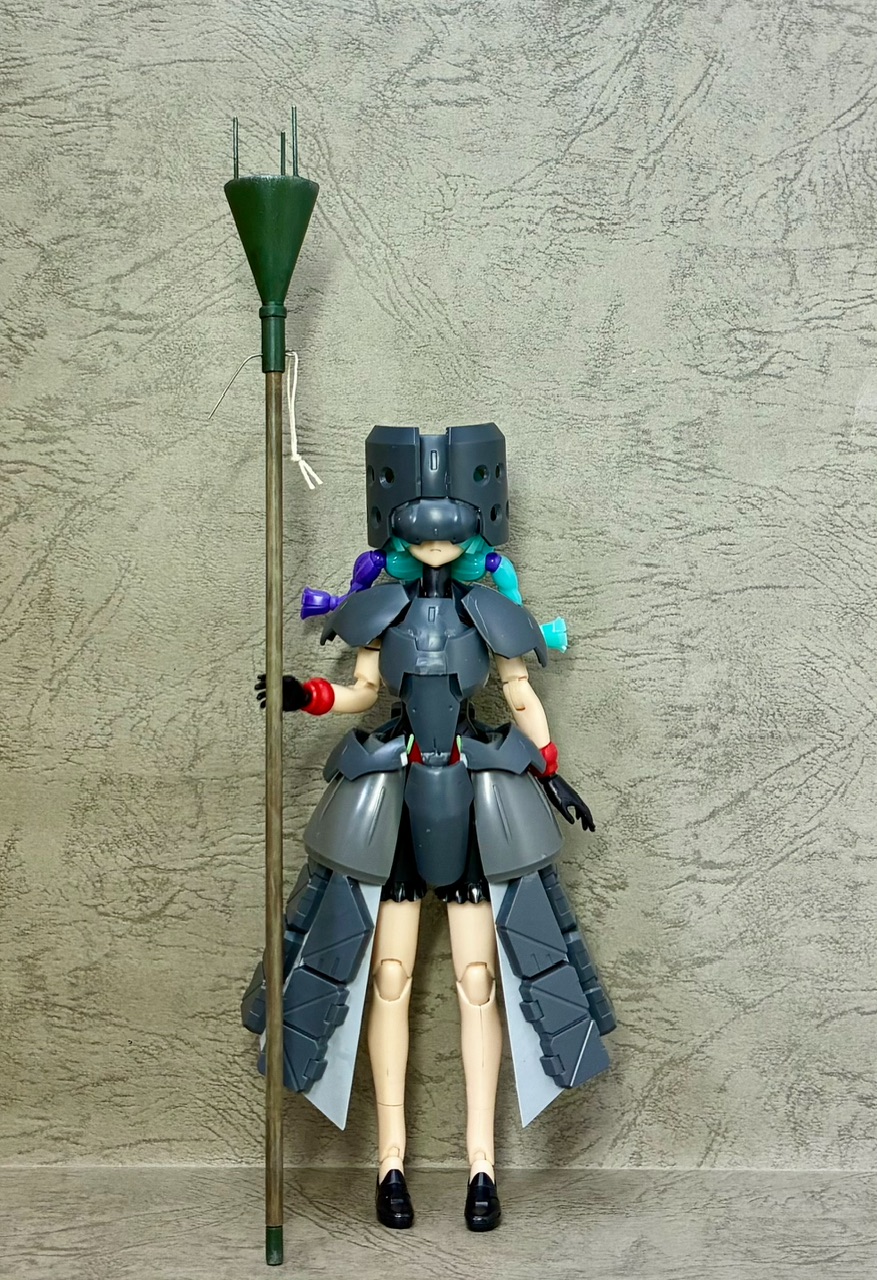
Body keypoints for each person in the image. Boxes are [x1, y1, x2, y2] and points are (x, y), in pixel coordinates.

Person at [244, 423, 615, 1232]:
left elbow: (518, 692)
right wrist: (306, 695)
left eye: (450, 529)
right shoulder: (382, 608)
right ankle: (390, 1166)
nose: (436, 543)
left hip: (481, 790)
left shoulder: (489, 609)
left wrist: (549, 768)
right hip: (394, 790)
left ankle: (483, 1168)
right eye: (420, 530)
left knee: (480, 981)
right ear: (396, 527)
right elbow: (361, 692)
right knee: (387, 976)